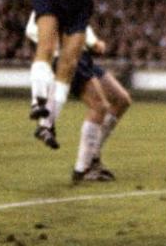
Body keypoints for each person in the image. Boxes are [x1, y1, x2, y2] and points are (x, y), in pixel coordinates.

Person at [20, 0, 143, 149]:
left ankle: (47, 124)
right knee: (46, 47)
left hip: (78, 2)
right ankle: (37, 102)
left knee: (68, 64)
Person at [25, 14, 132, 183]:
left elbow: (80, 25)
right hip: (66, 57)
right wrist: (61, 43)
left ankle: (93, 156)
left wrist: (92, 42)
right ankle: (84, 168)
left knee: (122, 99)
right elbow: (32, 30)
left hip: (82, 56)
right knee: (100, 106)